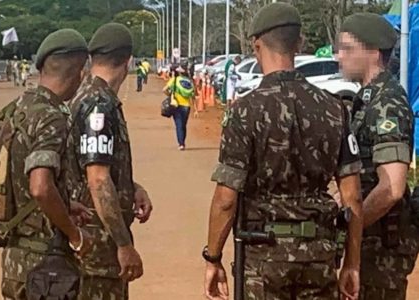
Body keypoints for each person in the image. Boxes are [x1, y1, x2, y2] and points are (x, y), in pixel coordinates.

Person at [203, 3, 363, 300]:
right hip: (319, 254)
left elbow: (226, 200)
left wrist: (213, 257)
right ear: (299, 43)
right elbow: (352, 196)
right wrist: (352, 264)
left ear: (256, 45)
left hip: (264, 255)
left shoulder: (245, 111)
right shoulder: (334, 109)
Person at [0, 29, 93, 299]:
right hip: (45, 265)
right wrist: (74, 235)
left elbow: (18, 182)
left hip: (14, 258)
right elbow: (40, 187)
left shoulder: (13, 111)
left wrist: (64, 202)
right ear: (79, 72)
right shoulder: (51, 117)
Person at [65, 23, 152, 299]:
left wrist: (132, 186)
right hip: (98, 244)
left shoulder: (85, 96)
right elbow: (98, 179)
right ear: (129, 62)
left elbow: (87, 164)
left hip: (87, 238)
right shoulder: (98, 104)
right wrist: (124, 244)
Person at [337, 13, 419, 300]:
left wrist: (350, 233)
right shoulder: (369, 99)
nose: (339, 57)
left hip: (380, 251)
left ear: (373, 52)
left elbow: (392, 188)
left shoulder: (387, 104)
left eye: (347, 48)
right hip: (372, 245)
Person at [162, 64, 197, 150]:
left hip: (176, 105)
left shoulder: (174, 80)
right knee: (183, 125)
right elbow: (193, 96)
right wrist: (196, 109)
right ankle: (182, 142)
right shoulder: (189, 82)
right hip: (187, 106)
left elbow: (164, 89)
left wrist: (170, 95)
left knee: (178, 125)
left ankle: (181, 143)